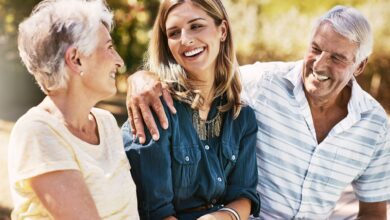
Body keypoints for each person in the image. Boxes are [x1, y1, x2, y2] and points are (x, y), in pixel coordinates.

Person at [125, 5, 390, 219]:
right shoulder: (263, 83)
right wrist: (140, 78)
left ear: (359, 66)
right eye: (316, 49)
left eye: (337, 58)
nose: (319, 64)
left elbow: (374, 212)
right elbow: (202, 74)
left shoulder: (375, 126)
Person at [122, 0, 260, 219]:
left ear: (222, 31)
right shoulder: (156, 107)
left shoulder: (241, 116)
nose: (185, 40)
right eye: (174, 33)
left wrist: (220, 217)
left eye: (196, 26)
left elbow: (245, 195)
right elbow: (155, 211)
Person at [7, 0, 139, 219]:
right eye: (109, 47)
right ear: (76, 60)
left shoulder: (105, 123)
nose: (119, 60)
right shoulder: (37, 132)